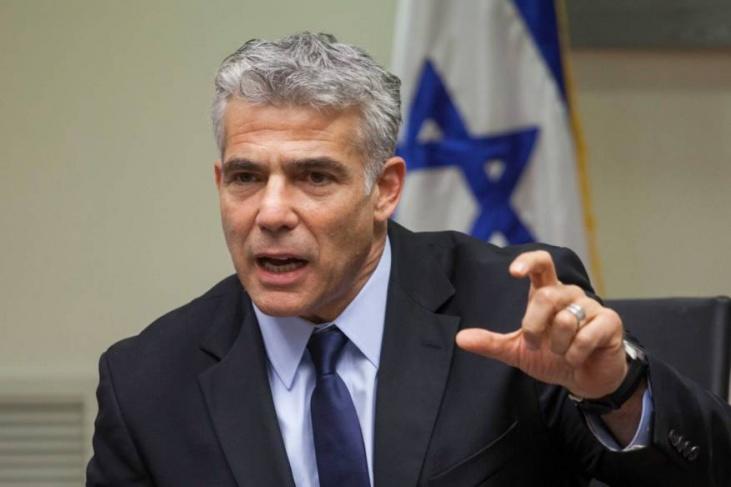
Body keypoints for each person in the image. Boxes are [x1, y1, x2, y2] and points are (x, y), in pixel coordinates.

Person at [86, 32, 731, 487]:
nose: (272, 212)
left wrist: (617, 391)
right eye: (247, 178)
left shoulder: (512, 308)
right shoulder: (146, 384)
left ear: (385, 190)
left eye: (314, 177)